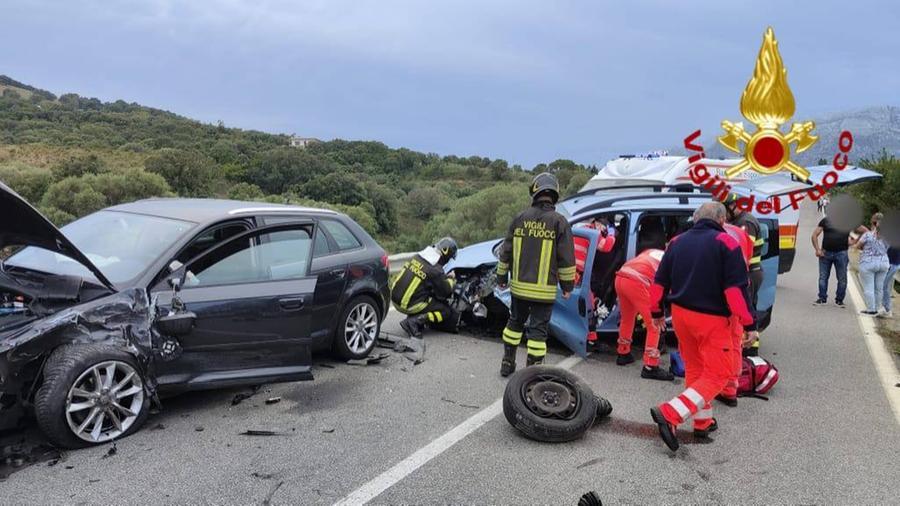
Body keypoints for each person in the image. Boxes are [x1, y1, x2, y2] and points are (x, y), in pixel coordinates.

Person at [648, 202, 757, 451]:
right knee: (719, 374)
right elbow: (735, 292)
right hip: (713, 319)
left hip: (681, 316)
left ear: (696, 219)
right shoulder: (727, 243)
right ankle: (670, 413)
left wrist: (656, 312)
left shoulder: (676, 242)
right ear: (721, 221)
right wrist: (750, 323)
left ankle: (702, 422)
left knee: (696, 370)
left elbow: (659, 282)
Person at [496, 173, 576, 377]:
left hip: (519, 289)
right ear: (555, 195)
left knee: (514, 324)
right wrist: (568, 287)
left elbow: (505, 252)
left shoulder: (520, 218)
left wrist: (501, 278)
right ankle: (531, 374)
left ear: (534, 192)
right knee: (538, 334)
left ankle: (507, 362)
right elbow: (566, 259)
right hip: (544, 292)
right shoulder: (559, 222)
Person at [613, 247, 674, 381]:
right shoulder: (673, 262)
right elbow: (663, 289)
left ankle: (623, 352)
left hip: (621, 277)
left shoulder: (653, 251)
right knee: (654, 324)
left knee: (627, 319)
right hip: (637, 282)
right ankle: (650, 367)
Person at [391, 237, 460, 350]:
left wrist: (442, 278)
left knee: (427, 293)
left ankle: (414, 317)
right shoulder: (435, 269)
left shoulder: (418, 256)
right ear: (446, 255)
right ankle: (414, 321)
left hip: (394, 299)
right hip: (408, 305)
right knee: (445, 311)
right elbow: (446, 291)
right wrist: (452, 280)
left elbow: (428, 279)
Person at [724, 194, 764, 356]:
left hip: (750, 273)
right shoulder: (738, 221)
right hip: (749, 272)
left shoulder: (745, 223)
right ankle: (749, 345)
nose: (724, 214)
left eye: (725, 209)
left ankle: (750, 348)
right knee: (748, 308)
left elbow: (742, 251)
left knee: (746, 310)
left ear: (733, 206)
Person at [811, 215, 851, 307]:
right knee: (823, 277)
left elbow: (864, 231)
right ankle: (822, 298)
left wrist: (857, 241)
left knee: (842, 278)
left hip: (841, 254)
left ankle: (839, 300)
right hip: (825, 253)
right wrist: (817, 249)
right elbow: (814, 235)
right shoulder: (825, 221)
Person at [854, 213, 890, 316]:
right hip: (883, 263)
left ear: (872, 222)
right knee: (879, 288)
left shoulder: (867, 235)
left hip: (868, 263)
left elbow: (857, 246)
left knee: (869, 287)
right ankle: (878, 308)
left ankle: (871, 310)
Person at [882, 246, 899, 318]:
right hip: (893, 264)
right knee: (885, 286)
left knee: (884, 286)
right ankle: (886, 308)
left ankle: (887, 310)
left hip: (893, 264)